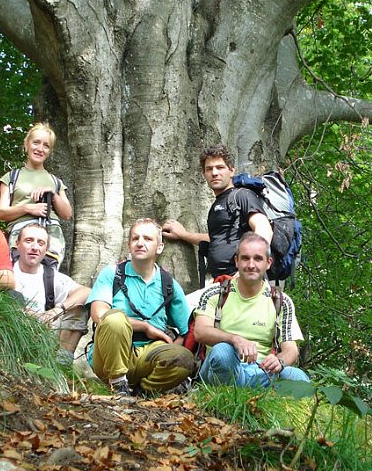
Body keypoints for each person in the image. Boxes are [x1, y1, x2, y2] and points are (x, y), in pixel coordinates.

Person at [86, 219, 195, 395]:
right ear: (129, 245)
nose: (140, 243)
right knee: (114, 319)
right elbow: (99, 314)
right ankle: (118, 385)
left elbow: (186, 330)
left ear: (159, 247)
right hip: (109, 354)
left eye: (147, 239)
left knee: (184, 358)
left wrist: (171, 349)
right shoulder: (112, 274)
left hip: (150, 353)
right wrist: (145, 326)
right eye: (135, 238)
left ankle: (142, 392)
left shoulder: (168, 284)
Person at [194, 233, 310, 388]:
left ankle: (262, 403)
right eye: (245, 258)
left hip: (261, 372)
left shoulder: (280, 301)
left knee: (297, 377)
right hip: (223, 369)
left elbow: (291, 349)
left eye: (258, 258)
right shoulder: (216, 293)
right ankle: (224, 403)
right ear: (236, 261)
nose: (251, 264)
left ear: (268, 263)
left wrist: (279, 361)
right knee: (223, 352)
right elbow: (200, 332)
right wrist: (235, 339)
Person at [162, 143, 273, 282]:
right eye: (209, 169)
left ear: (232, 171)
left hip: (243, 281)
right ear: (204, 174)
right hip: (223, 281)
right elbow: (217, 238)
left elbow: (264, 229)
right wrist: (183, 235)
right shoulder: (218, 204)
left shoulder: (242, 196)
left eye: (220, 167)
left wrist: (248, 268)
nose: (214, 173)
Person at [0, 123, 73, 265]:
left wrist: (53, 195)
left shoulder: (55, 181)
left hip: (51, 233)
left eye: (46, 145)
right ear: (26, 144)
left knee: (48, 277)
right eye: (36, 143)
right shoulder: (11, 177)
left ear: (50, 151)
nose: (40, 149)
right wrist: (27, 208)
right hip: (21, 233)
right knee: (22, 277)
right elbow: (1, 213)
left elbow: (67, 214)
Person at [13, 224, 90, 361]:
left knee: (79, 306)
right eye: (29, 241)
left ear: (46, 249)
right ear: (17, 244)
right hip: (12, 335)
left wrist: (56, 310)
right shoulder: (6, 272)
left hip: (45, 339)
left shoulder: (51, 276)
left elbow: (85, 292)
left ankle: (61, 365)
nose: (35, 247)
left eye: (41, 243)